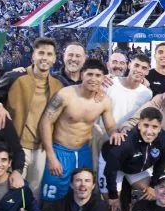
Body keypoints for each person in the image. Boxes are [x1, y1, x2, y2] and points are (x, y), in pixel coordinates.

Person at [39, 58, 123, 201]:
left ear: (103, 78)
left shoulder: (104, 100)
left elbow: (110, 126)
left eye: (98, 75)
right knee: (52, 196)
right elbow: (46, 122)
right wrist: (51, 156)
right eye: (89, 74)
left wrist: (114, 133)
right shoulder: (65, 95)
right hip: (60, 150)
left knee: (82, 195)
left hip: (84, 151)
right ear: (82, 74)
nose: (93, 79)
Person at [0, 38, 64, 193]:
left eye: (49, 54)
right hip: (16, 146)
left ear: (54, 59)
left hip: (41, 148)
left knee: (34, 193)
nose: (45, 57)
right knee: (11, 191)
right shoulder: (14, 77)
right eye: (41, 53)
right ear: (33, 56)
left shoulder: (58, 84)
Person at [100, 106, 165, 211]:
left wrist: (152, 186)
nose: (149, 131)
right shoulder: (126, 142)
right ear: (138, 125)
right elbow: (110, 170)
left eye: (154, 127)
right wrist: (113, 195)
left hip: (135, 168)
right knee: (112, 204)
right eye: (146, 125)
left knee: (154, 193)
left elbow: (161, 164)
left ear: (160, 127)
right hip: (112, 166)